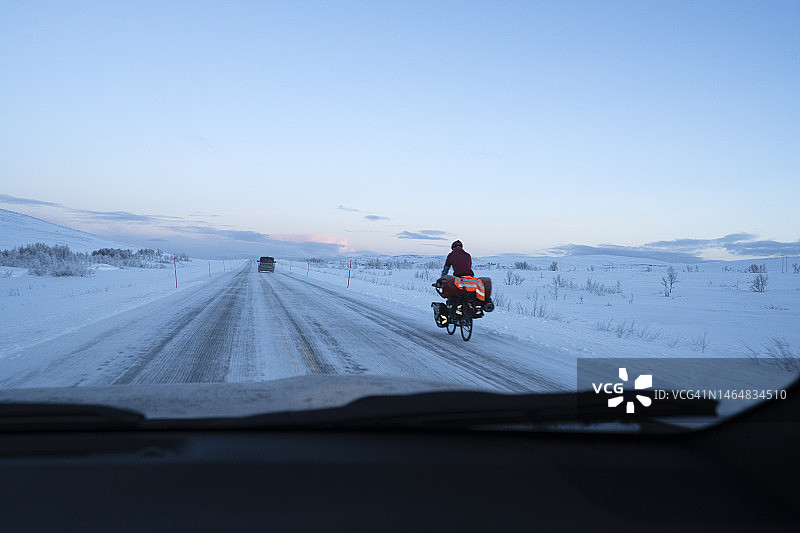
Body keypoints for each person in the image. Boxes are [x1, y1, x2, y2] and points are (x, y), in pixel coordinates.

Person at [441, 240, 483, 316]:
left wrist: (442, 279)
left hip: (459, 278)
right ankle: (478, 308)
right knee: (473, 293)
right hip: (471, 278)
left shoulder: (451, 255)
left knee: (455, 293)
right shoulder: (467, 255)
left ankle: (458, 308)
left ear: (453, 248)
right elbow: (468, 267)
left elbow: (446, 269)